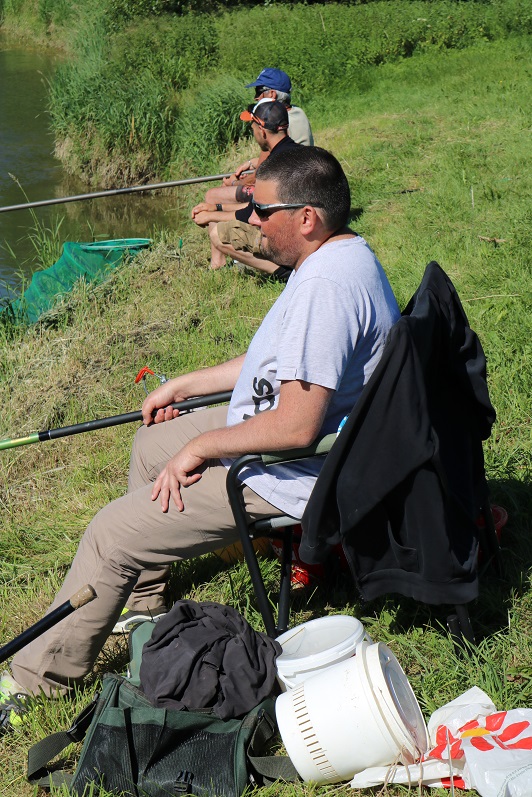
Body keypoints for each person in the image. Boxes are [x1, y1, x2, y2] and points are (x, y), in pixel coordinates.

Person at [0, 146, 400, 729]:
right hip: (276, 432)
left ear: (307, 218)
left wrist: (201, 448)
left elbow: (296, 426)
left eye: (262, 211)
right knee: (151, 445)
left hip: (292, 472)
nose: (250, 220)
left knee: (110, 534)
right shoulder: (338, 256)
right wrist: (184, 384)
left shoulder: (327, 289)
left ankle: (34, 681)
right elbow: (272, 362)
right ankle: (142, 605)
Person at [192, 99, 299, 278]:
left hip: (288, 240)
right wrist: (215, 207)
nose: (253, 132)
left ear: (262, 131)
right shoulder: (299, 152)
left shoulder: (270, 168)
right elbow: (254, 205)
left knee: (218, 234)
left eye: (253, 128)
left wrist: (210, 216)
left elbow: (250, 213)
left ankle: (283, 273)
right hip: (305, 232)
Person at [205, 67, 313, 207]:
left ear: (272, 94)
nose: (256, 97)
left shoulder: (274, 124)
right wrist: (252, 163)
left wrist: (233, 182)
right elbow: (281, 156)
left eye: (259, 91)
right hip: (299, 181)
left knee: (212, 195)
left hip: (285, 191)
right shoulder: (298, 112)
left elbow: (259, 177)